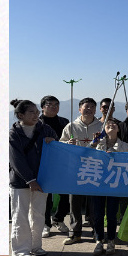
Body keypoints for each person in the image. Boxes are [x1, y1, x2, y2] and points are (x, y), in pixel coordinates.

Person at [9, 99, 57, 256]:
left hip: (42, 180)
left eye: (37, 111)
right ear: (20, 115)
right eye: (32, 112)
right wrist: (30, 180)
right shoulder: (14, 133)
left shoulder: (45, 129)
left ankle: (36, 246)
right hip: (20, 182)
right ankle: (20, 249)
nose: (36, 115)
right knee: (20, 215)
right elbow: (17, 160)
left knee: (38, 215)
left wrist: (53, 142)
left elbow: (56, 147)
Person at [59, 97, 104, 246]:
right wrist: (68, 143)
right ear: (80, 109)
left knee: (94, 203)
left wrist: (98, 145)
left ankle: (95, 231)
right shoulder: (71, 126)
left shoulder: (101, 126)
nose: (89, 109)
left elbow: (106, 144)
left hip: (94, 169)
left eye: (92, 107)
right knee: (75, 203)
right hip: (75, 170)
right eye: (86, 107)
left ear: (95, 110)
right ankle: (75, 233)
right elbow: (60, 145)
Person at [91, 119, 128, 256]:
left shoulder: (124, 145)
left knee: (112, 214)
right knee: (98, 214)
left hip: (114, 183)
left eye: (114, 125)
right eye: (108, 125)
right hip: (98, 183)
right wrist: (93, 143)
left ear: (118, 129)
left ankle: (111, 240)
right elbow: (86, 157)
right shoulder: (97, 144)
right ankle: (99, 240)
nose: (111, 126)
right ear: (103, 130)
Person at [37, 95, 70, 238]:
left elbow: (67, 139)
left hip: (61, 163)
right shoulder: (37, 123)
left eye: (57, 104)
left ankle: (58, 219)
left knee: (65, 193)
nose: (54, 107)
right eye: (50, 104)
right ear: (43, 107)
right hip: (43, 163)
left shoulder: (64, 122)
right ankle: (45, 224)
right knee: (46, 195)